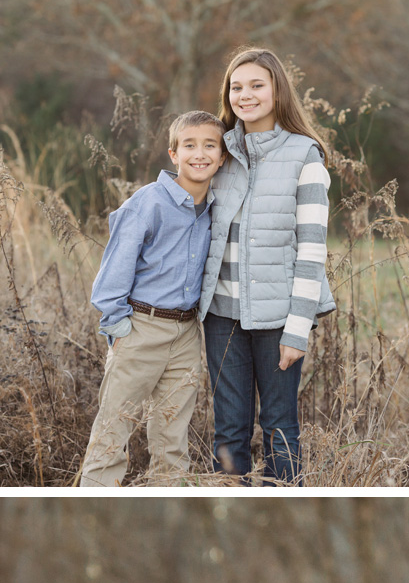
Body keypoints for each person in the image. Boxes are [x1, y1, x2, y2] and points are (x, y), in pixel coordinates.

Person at [199, 47, 335, 485]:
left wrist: (297, 331)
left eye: (256, 85)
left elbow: (312, 251)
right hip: (222, 316)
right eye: (236, 87)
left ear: (277, 91)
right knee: (229, 428)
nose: (245, 94)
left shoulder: (304, 156)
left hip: (280, 319)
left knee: (279, 426)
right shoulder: (218, 153)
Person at [80, 111, 226, 486]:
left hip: (186, 334)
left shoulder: (214, 208)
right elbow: (112, 275)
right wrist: (120, 330)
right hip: (142, 328)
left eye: (210, 145)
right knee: (113, 433)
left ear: (222, 157)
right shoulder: (148, 203)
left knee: (172, 439)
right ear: (173, 154)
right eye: (189, 145)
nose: (200, 153)